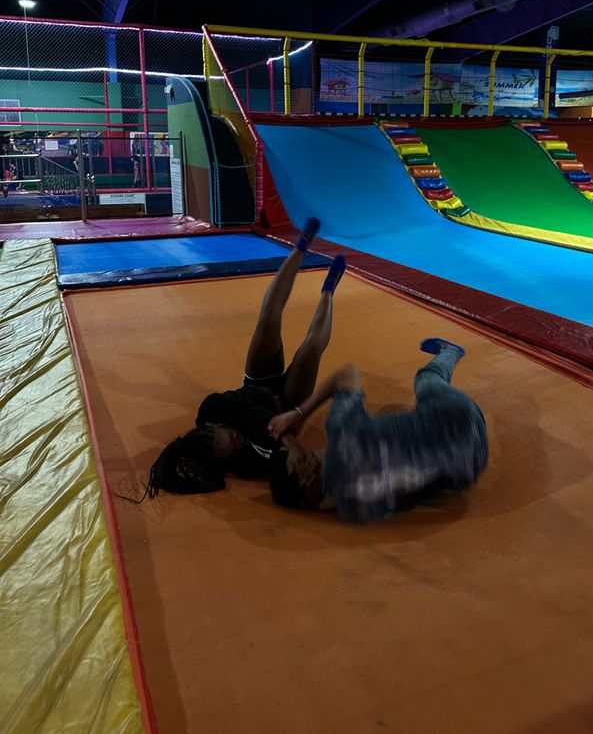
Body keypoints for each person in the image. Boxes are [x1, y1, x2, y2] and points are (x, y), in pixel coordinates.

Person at [146, 217, 346, 497]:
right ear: (224, 461)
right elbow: (278, 458)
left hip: (258, 384)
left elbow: (251, 414)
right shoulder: (246, 464)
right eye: (235, 448)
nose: (239, 442)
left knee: (267, 321)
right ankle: (328, 291)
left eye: (233, 437)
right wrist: (298, 461)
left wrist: (291, 443)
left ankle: (300, 248)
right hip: (288, 401)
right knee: (311, 349)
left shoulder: (211, 409)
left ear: (216, 426)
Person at [267, 338, 488, 522]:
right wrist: (300, 414)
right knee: (425, 379)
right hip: (460, 417)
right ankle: (450, 351)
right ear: (302, 474)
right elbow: (347, 373)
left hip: (473, 462)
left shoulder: (353, 509)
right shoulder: (343, 433)